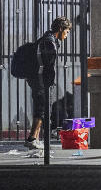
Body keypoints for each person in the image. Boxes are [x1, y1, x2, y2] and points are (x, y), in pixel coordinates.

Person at [25, 17, 72, 150]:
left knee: (41, 109)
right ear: (61, 29)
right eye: (67, 31)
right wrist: (48, 81)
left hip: (38, 80)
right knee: (42, 110)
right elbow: (47, 65)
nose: (67, 35)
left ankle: (35, 139)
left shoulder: (46, 40)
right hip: (41, 81)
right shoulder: (49, 42)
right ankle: (32, 138)